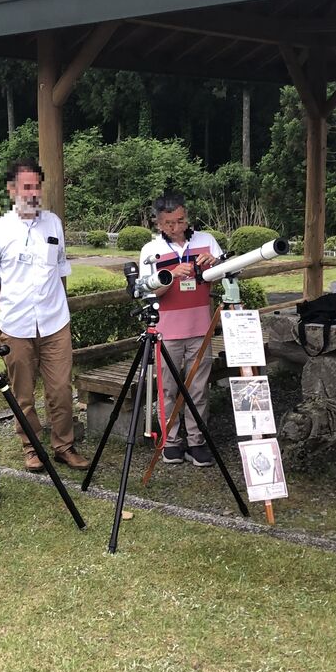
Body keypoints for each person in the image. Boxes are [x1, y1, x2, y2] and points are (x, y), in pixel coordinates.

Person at [0, 159, 90, 472]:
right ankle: (31, 448)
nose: (32, 193)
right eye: (26, 187)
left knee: (61, 390)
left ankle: (64, 446)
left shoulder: (53, 224)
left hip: (55, 323)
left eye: (36, 186)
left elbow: (61, 270)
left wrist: (56, 303)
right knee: (23, 395)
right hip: (16, 326)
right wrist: (12, 306)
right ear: (12, 189)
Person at [137, 192, 224, 466]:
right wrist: (171, 275)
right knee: (168, 390)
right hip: (166, 331)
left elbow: (226, 273)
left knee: (198, 389)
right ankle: (171, 441)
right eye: (169, 223)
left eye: (181, 220)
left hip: (200, 327)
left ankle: (197, 441)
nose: (176, 227)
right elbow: (146, 291)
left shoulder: (206, 240)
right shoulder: (150, 251)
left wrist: (215, 264)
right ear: (158, 223)